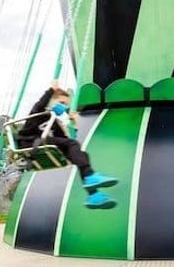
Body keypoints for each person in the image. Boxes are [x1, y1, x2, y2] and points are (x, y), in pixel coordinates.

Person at [17, 80, 118, 209]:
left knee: (82, 155)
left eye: (65, 104)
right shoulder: (38, 113)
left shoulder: (54, 122)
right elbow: (40, 104)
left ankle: (93, 195)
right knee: (72, 145)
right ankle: (90, 178)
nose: (63, 107)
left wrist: (75, 123)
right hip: (31, 142)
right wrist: (51, 90)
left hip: (45, 144)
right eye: (61, 103)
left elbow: (66, 142)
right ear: (51, 101)